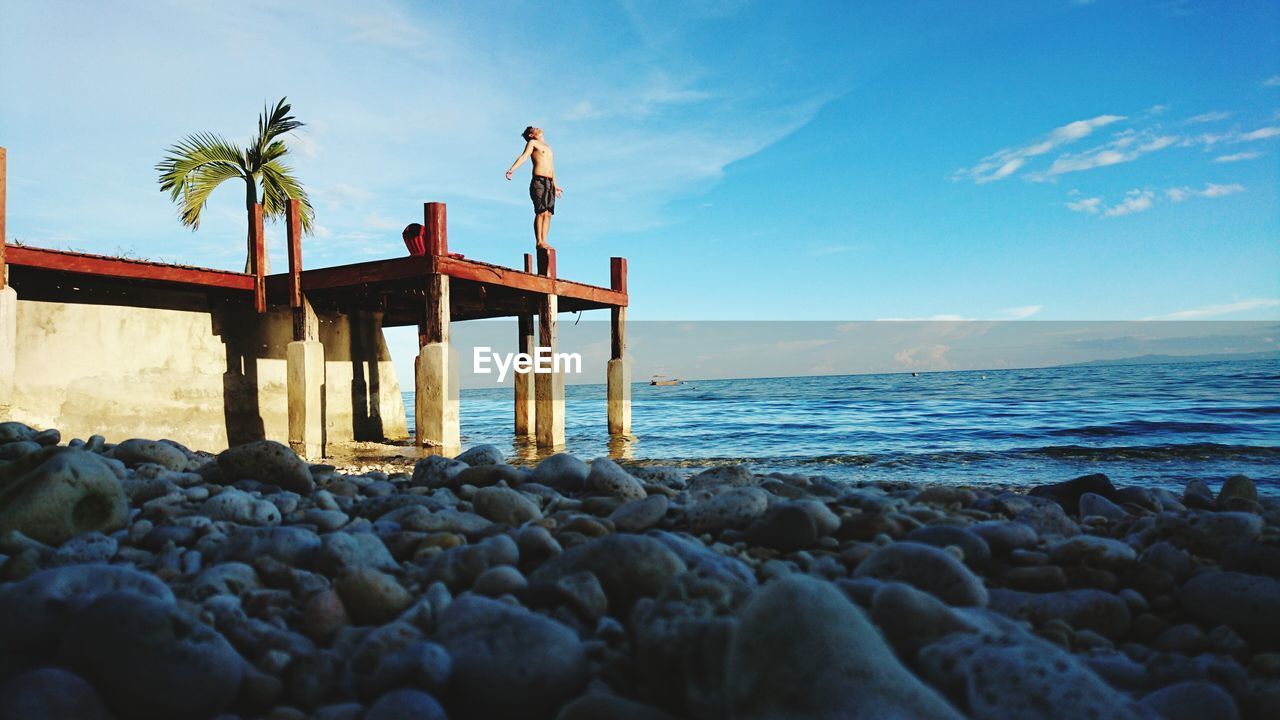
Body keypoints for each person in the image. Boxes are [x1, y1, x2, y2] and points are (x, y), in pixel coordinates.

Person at [505, 126, 563, 250]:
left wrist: (556, 185)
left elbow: (552, 168)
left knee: (548, 213)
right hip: (539, 180)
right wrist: (512, 170)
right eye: (534, 129)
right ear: (531, 135)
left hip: (549, 182)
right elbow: (524, 157)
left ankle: (545, 241)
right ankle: (539, 241)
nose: (538, 128)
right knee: (541, 211)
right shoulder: (533, 143)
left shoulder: (548, 147)